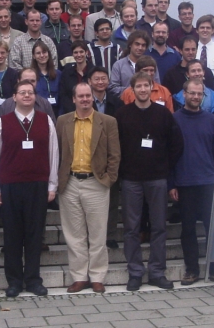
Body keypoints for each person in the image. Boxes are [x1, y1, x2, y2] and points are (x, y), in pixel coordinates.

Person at [0, 80, 59, 297]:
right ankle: (14, 281)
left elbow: (53, 153)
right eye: (22, 92)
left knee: (34, 234)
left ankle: (33, 279)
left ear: (35, 97)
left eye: (30, 92)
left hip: (38, 184)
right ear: (14, 97)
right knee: (12, 236)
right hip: (10, 186)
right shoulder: (3, 122)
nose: (27, 96)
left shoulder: (46, 120)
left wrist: (52, 184)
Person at [115, 72, 184, 291]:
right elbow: (115, 147)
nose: (143, 90)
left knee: (158, 227)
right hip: (131, 179)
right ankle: (135, 272)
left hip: (157, 179)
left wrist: (164, 166)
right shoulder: (122, 115)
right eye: (139, 86)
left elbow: (176, 144)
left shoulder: (163, 114)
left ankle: (156, 272)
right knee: (131, 228)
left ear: (151, 88)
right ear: (132, 90)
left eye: (146, 86)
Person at [56, 83, 120, 294]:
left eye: (88, 96)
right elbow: (56, 151)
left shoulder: (107, 122)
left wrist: (109, 179)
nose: (85, 99)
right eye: (80, 96)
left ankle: (98, 276)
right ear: (73, 99)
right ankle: (79, 276)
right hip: (70, 182)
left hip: (96, 182)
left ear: (93, 98)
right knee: (74, 234)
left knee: (98, 232)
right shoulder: (62, 121)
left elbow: (114, 154)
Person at [171, 79, 214, 286]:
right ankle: (192, 270)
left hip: (209, 182)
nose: (196, 97)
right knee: (187, 229)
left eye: (199, 94)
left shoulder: (211, 120)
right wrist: (172, 184)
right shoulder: (174, 119)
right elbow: (169, 155)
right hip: (185, 182)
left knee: (213, 227)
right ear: (184, 94)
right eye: (192, 93)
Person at [87, 66, 124, 248]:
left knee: (112, 201)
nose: (100, 82)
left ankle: (109, 236)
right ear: (89, 82)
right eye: (96, 79)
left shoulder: (117, 102)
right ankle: (92, 236)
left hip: (111, 157)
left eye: (103, 79)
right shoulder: (84, 102)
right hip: (89, 158)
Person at [109, 31, 161, 95]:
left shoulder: (151, 64)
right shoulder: (119, 65)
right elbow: (113, 88)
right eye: (137, 44)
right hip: (125, 102)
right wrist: (134, 90)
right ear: (130, 44)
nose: (140, 48)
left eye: (143, 45)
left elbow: (157, 85)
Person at [60, 41, 94, 115]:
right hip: (71, 113)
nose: (79, 55)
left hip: (92, 111)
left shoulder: (94, 72)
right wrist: (73, 110)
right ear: (72, 54)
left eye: (81, 52)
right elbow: (63, 95)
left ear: (87, 52)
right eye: (75, 52)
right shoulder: (66, 73)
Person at [30, 40, 62, 115]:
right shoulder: (31, 75)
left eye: (44, 52)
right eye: (38, 53)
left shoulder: (59, 74)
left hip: (56, 113)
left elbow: (62, 98)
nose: (42, 55)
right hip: (37, 113)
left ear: (48, 54)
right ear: (34, 56)